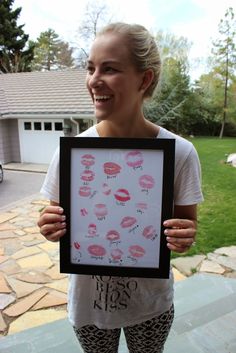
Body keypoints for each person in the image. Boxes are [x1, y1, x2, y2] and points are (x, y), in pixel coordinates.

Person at [37, 22, 203, 353]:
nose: (94, 80)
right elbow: (53, 214)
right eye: (90, 68)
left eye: (109, 69)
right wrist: (49, 223)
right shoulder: (72, 153)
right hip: (89, 307)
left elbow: (186, 224)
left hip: (150, 304)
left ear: (145, 79)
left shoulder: (180, 153)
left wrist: (184, 234)